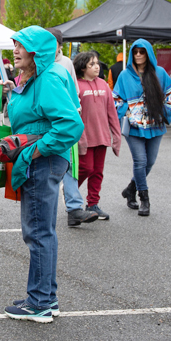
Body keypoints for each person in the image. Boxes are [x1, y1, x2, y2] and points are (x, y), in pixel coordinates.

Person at [3, 26, 84, 324]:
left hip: (43, 162)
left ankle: (39, 303)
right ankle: (44, 297)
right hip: (42, 161)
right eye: (15, 44)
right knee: (41, 232)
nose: (15, 50)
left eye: (21, 46)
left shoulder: (48, 78)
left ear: (38, 52)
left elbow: (70, 125)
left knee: (38, 233)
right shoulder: (37, 77)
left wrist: (35, 151)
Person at [113, 40, 171, 217]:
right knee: (140, 162)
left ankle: (130, 189)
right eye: (135, 52)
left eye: (142, 52)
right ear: (132, 54)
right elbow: (115, 99)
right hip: (134, 127)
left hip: (155, 125)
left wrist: (164, 111)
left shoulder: (160, 73)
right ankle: (144, 199)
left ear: (148, 53)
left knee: (150, 162)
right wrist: (130, 111)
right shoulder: (125, 76)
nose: (139, 55)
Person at [46, 27, 97, 228]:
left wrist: (75, 116)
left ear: (59, 45)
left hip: (63, 121)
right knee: (48, 167)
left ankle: (75, 208)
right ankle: (47, 210)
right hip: (43, 123)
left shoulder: (66, 63)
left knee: (69, 164)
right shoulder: (34, 61)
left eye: (54, 43)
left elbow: (74, 91)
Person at [74, 51, 121, 220]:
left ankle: (93, 204)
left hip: (102, 136)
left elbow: (112, 113)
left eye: (97, 63)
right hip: (84, 137)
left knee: (98, 172)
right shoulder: (76, 85)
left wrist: (116, 136)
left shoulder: (103, 85)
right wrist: (79, 137)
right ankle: (71, 194)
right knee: (86, 168)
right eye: (91, 64)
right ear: (82, 67)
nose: (96, 66)